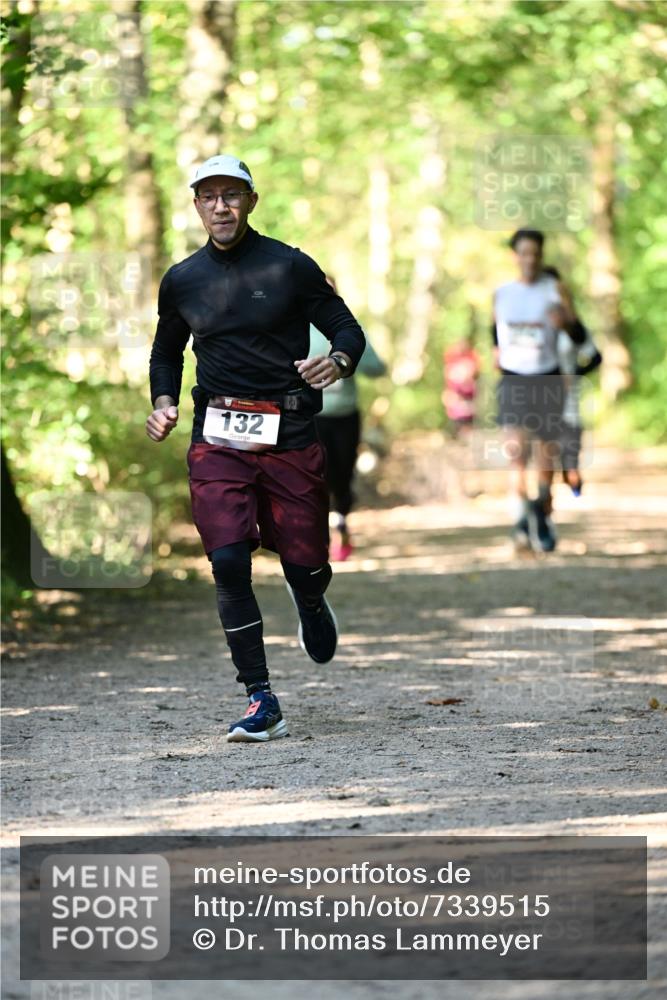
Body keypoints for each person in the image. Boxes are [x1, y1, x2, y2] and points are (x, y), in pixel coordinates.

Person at [146, 154, 366, 742]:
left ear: (250, 201)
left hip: (290, 433)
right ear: (197, 205)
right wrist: (163, 401)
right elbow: (166, 351)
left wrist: (338, 360)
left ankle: (310, 597)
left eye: (231, 195)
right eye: (209, 196)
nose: (220, 206)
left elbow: (348, 329)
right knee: (226, 561)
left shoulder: (290, 266)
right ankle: (260, 695)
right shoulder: (182, 279)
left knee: (306, 564)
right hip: (217, 436)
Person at [492, 229, 584, 553]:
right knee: (516, 452)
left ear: (542, 256)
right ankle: (521, 521)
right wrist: (495, 352)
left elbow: (580, 336)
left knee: (546, 454)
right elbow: (494, 330)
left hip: (547, 377)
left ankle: (542, 512)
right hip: (513, 378)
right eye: (524, 253)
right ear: (514, 256)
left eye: (535, 253)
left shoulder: (555, 289)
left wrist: (566, 323)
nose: (530, 259)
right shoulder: (502, 293)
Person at [309, 280, 386, 561]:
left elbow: (376, 368)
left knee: (343, 474)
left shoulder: (349, 329)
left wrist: (351, 357)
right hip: (312, 416)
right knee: (316, 475)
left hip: (346, 416)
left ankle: (340, 523)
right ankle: (319, 535)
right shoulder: (296, 328)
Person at [542, 266, 603, 497]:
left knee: (569, 452)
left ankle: (572, 475)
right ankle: (544, 502)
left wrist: (575, 373)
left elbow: (595, 357)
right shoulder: (532, 323)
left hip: (567, 398)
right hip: (538, 395)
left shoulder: (572, 327)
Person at [442, 333, 481, 440]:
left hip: (468, 393)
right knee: (458, 414)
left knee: (468, 414)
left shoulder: (472, 357)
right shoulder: (451, 358)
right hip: (456, 393)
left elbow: (475, 373)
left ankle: (467, 434)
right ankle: (459, 433)